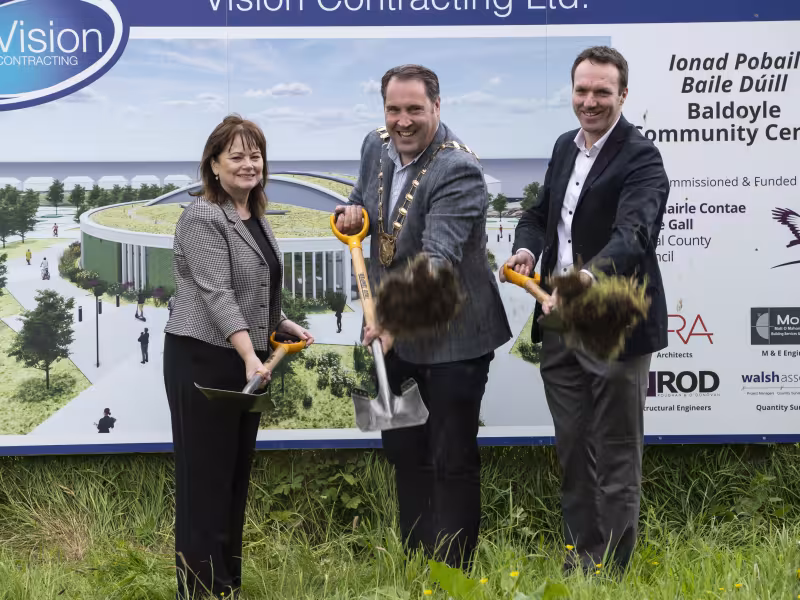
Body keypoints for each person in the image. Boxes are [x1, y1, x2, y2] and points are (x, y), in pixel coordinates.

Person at [335, 64, 511, 569]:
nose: (403, 121)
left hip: (454, 339)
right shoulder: (375, 144)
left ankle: (452, 570)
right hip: (391, 337)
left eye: (415, 109)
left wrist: (393, 321)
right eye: (394, 109)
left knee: (450, 458)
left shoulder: (457, 170)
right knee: (405, 454)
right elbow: (364, 204)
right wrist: (352, 215)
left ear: (438, 106)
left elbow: (438, 259)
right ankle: (416, 561)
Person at [501, 46, 669, 575]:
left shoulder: (641, 157)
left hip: (614, 320)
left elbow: (634, 234)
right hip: (558, 319)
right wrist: (529, 249)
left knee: (616, 451)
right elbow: (537, 211)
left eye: (602, 91)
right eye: (582, 91)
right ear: (571, 92)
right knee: (573, 448)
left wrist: (587, 277)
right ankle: (581, 558)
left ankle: (612, 571)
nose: (590, 101)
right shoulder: (563, 147)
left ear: (623, 94)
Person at [163, 114, 314, 599]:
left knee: (232, 475)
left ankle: (226, 584)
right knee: (205, 478)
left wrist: (280, 322)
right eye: (237, 156)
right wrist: (253, 355)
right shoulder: (204, 216)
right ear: (214, 164)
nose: (249, 164)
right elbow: (217, 293)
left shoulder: (253, 213)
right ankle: (202, 589)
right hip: (202, 359)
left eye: (256, 155)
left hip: (240, 358)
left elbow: (256, 285)